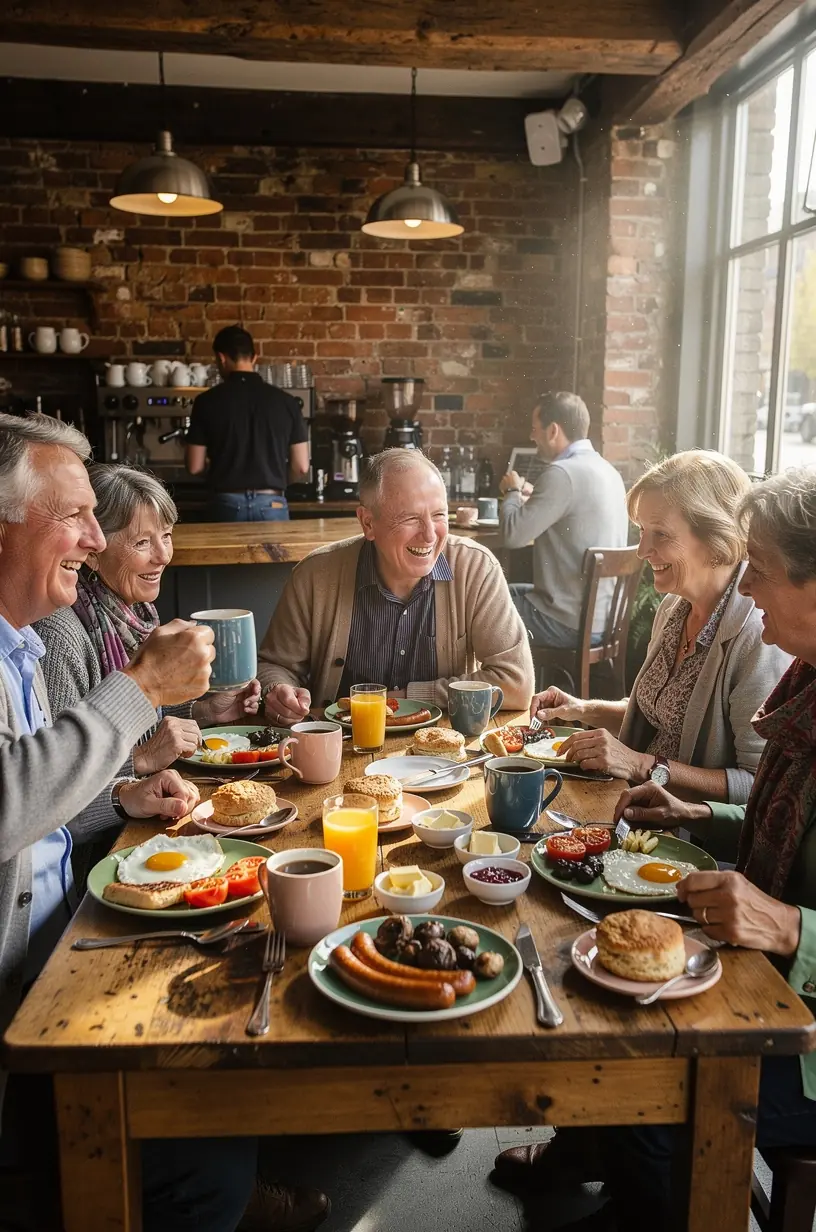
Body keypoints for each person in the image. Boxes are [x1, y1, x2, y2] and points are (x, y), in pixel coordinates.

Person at [0, 413, 327, 1232]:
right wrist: (141, 692)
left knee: (241, 959)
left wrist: (120, 800)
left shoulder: (23, 650)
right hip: (27, 975)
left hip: (68, 916)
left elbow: (41, 801)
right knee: (209, 1096)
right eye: (75, 518)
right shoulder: (48, 639)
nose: (90, 536)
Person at [494, 465, 816, 1232]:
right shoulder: (806, 684)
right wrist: (698, 816)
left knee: (641, 1064)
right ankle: (622, 1176)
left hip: (802, 1034)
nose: (751, 588)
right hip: (768, 978)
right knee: (602, 988)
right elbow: (779, 821)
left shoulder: (770, 660)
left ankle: (656, 1199)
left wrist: (792, 926)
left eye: (762, 573)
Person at [529, 449, 791, 804]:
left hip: (691, 842)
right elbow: (664, 716)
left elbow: (756, 785)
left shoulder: (759, 635)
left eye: (661, 535)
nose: (642, 550)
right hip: (633, 804)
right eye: (641, 531)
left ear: (716, 538)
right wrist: (582, 709)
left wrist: (640, 765)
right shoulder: (674, 608)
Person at [258, 449, 534, 724]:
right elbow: (273, 666)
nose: (429, 534)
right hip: (340, 747)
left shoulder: (476, 569)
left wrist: (403, 698)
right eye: (411, 518)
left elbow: (516, 684)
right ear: (368, 522)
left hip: (444, 751)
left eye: (439, 515)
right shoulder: (314, 575)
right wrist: (278, 692)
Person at [36, 463, 261, 777]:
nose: (163, 555)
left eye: (166, 536)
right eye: (142, 542)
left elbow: (138, 714)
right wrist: (141, 758)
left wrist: (203, 710)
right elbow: (56, 782)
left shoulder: (136, 613)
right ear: (93, 550)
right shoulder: (61, 635)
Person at [498, 391, 628, 648]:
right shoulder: (608, 470)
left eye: (535, 430)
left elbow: (512, 536)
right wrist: (536, 496)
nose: (532, 437)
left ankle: (487, 685)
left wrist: (512, 490)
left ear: (553, 431)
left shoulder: (560, 473)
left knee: (477, 603)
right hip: (604, 620)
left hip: (566, 622)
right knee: (498, 593)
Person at [185, 324, 310, 522]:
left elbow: (194, 466)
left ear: (221, 358)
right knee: (275, 555)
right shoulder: (287, 402)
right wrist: (274, 480)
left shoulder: (206, 401)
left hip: (225, 504)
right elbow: (302, 466)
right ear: (254, 357)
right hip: (273, 503)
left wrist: (224, 473)